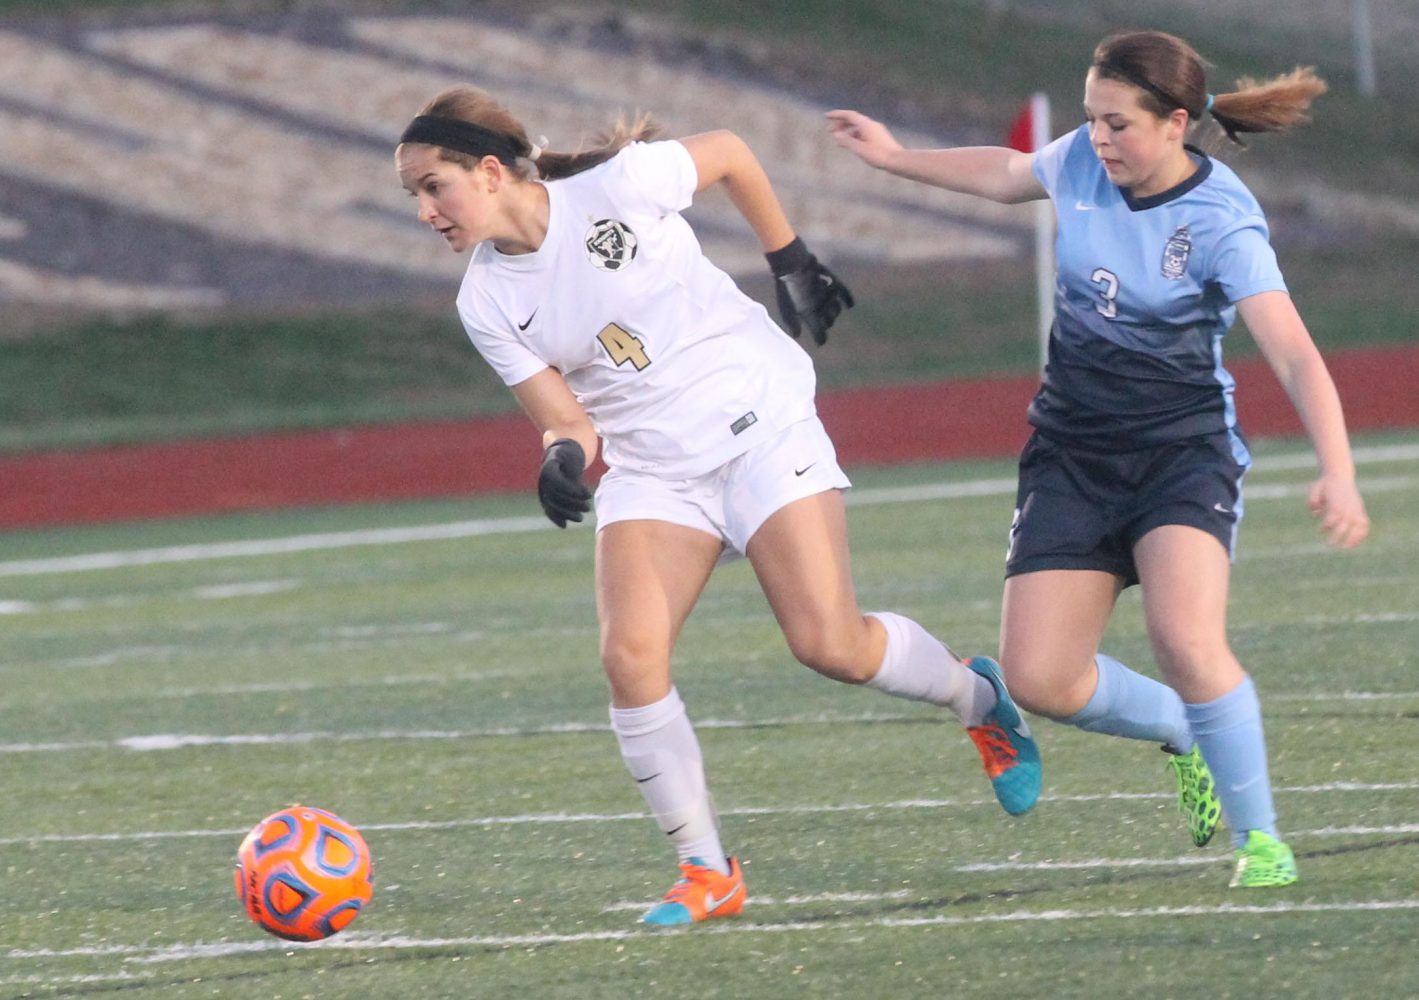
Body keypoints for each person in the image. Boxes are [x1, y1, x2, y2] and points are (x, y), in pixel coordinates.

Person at [395, 87, 1042, 926]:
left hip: (759, 425)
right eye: (411, 195)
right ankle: (705, 870)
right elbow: (565, 417)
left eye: (431, 186)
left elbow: (732, 151)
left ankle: (975, 699)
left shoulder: (617, 188)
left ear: (488, 171)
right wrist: (560, 457)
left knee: (831, 646)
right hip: (655, 471)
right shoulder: (483, 300)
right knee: (630, 658)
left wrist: (790, 259)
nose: (422, 211)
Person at [828, 30, 1370, 888]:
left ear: (1174, 123)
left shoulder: (1220, 221)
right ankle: (1182, 729)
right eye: (1091, 120)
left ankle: (1259, 840)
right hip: (1071, 453)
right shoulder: (1083, 158)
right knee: (1039, 677)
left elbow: (1297, 356)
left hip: (1179, 454)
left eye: (1116, 123)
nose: (1098, 138)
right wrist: (894, 159)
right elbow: (1009, 174)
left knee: (1185, 638)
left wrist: (1336, 470)